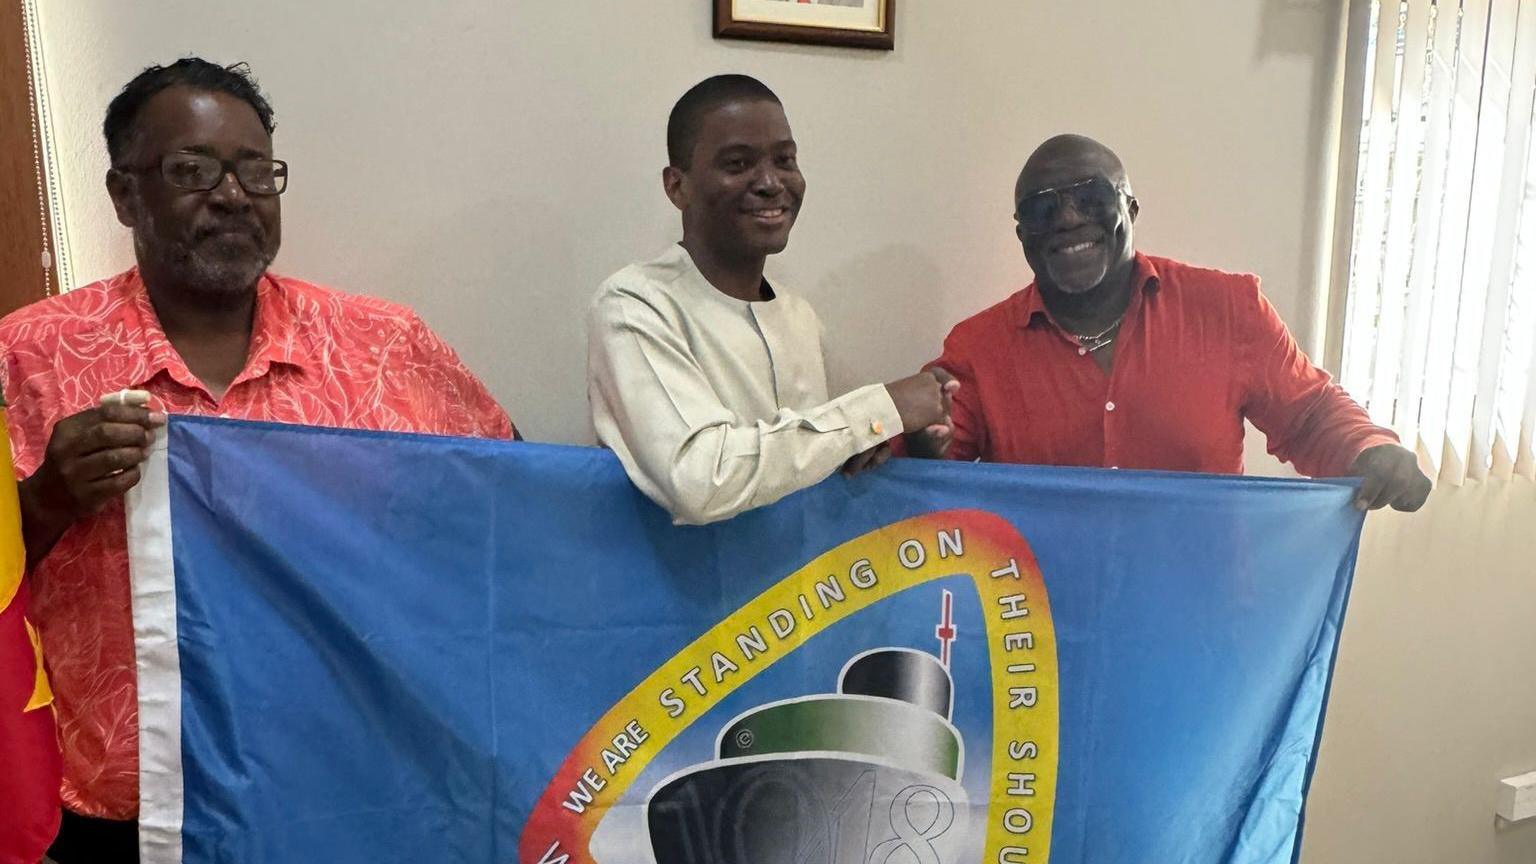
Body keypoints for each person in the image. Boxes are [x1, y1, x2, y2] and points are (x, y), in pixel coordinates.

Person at [0, 58, 517, 862]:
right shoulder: (27, 357)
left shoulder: (383, 345)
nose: (234, 195)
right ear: (125, 194)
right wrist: (44, 502)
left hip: (354, 799)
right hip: (121, 826)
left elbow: (506, 506)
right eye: (194, 171)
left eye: (255, 171)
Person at [907, 134, 1430, 512]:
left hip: (1199, 619)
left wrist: (1369, 449)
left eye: (1090, 198)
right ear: (1022, 235)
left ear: (1130, 208)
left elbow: (1310, 414)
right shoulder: (978, 348)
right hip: (1041, 626)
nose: (1067, 219)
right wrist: (917, 448)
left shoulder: (1228, 308)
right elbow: (923, 461)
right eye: (1043, 210)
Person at [588, 75, 952, 524]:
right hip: (685, 591)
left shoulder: (799, 317)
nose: (770, 182)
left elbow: (831, 454)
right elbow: (699, 481)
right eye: (738, 164)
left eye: (785, 160)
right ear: (677, 187)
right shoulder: (636, 305)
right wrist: (882, 410)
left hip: (802, 592)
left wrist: (906, 440)